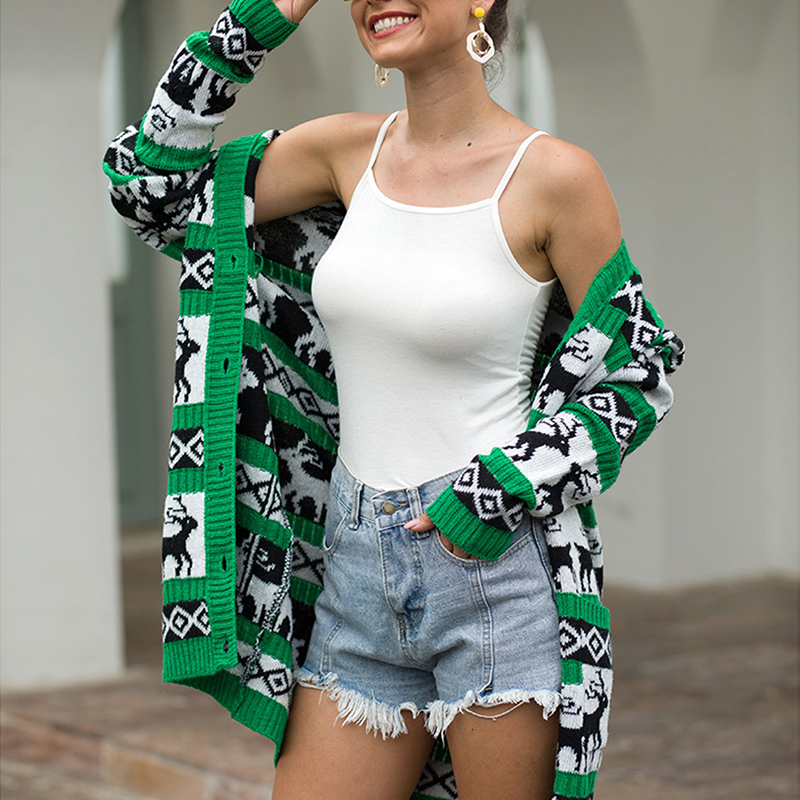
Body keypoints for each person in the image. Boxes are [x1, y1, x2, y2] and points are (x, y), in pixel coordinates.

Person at [104, 1, 684, 799]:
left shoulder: (554, 177)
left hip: (493, 571)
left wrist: (493, 494)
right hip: (352, 567)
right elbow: (152, 190)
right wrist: (263, 18)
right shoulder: (344, 152)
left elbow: (640, 365)